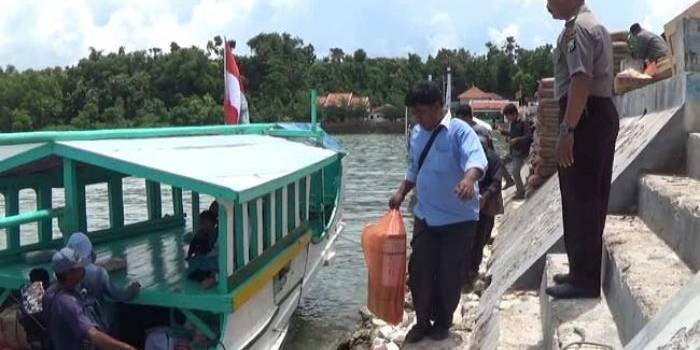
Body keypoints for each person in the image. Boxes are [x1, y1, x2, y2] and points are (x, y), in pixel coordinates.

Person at [388, 81, 487, 343]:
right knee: (419, 270)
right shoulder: (418, 133)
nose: (418, 118)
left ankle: (443, 322)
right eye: (414, 113)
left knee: (449, 273)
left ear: (436, 107)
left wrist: (468, 180)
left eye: (421, 112)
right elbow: (413, 168)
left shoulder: (460, 131)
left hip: (459, 221)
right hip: (426, 217)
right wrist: (401, 192)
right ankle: (421, 322)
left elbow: (477, 160)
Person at [546, 0, 620, 299]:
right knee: (586, 197)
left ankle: (584, 280)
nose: (547, 5)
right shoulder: (592, 25)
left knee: (582, 198)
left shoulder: (579, 29)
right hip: (594, 114)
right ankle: (580, 270)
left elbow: (581, 80)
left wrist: (567, 130)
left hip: (585, 117)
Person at [43, 247, 136, 350]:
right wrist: (126, 348)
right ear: (69, 274)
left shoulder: (49, 293)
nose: (84, 269)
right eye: (79, 267)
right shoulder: (67, 303)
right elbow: (93, 335)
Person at [67, 232, 141, 333]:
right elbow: (120, 296)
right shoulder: (99, 273)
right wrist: (133, 288)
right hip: (96, 325)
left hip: (74, 324)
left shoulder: (64, 273)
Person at [465, 135, 505, 285]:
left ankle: (473, 269)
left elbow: (496, 182)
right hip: (469, 203)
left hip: (487, 203)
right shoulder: (468, 156)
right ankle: (466, 269)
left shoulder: (494, 159)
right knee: (468, 236)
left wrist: (485, 197)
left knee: (482, 235)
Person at [500, 103, 531, 199]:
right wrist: (506, 134)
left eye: (507, 116)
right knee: (499, 163)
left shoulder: (523, 123)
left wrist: (517, 140)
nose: (507, 119)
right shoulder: (512, 124)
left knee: (515, 171)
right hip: (512, 152)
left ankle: (520, 192)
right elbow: (512, 134)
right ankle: (509, 181)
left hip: (521, 153)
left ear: (514, 114)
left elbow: (528, 137)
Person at [186, 210, 219, 288]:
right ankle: (206, 274)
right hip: (205, 257)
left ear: (214, 223)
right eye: (202, 223)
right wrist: (190, 255)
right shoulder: (200, 232)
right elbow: (193, 244)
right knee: (192, 264)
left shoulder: (216, 233)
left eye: (206, 223)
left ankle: (211, 276)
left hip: (213, 258)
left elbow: (213, 250)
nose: (204, 225)